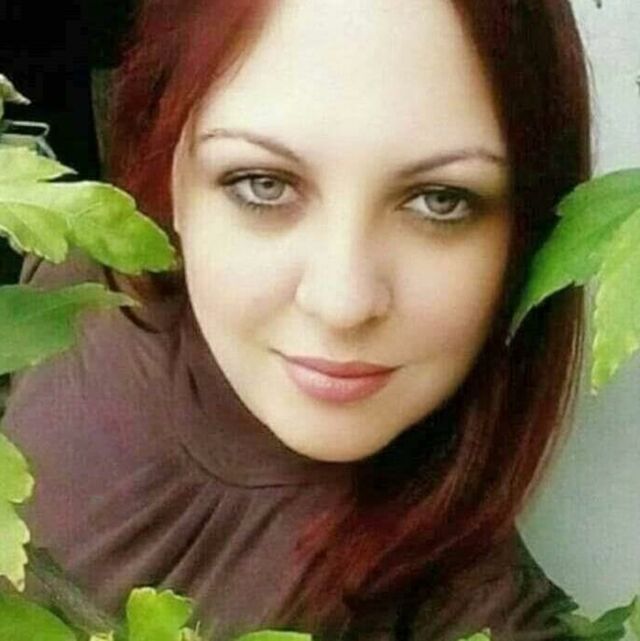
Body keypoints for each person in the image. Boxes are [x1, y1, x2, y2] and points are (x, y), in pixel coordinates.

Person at [3, 1, 591, 640]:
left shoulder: (485, 621)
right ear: (172, 172)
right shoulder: (82, 282)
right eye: (264, 184)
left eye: (440, 200)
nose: (341, 304)